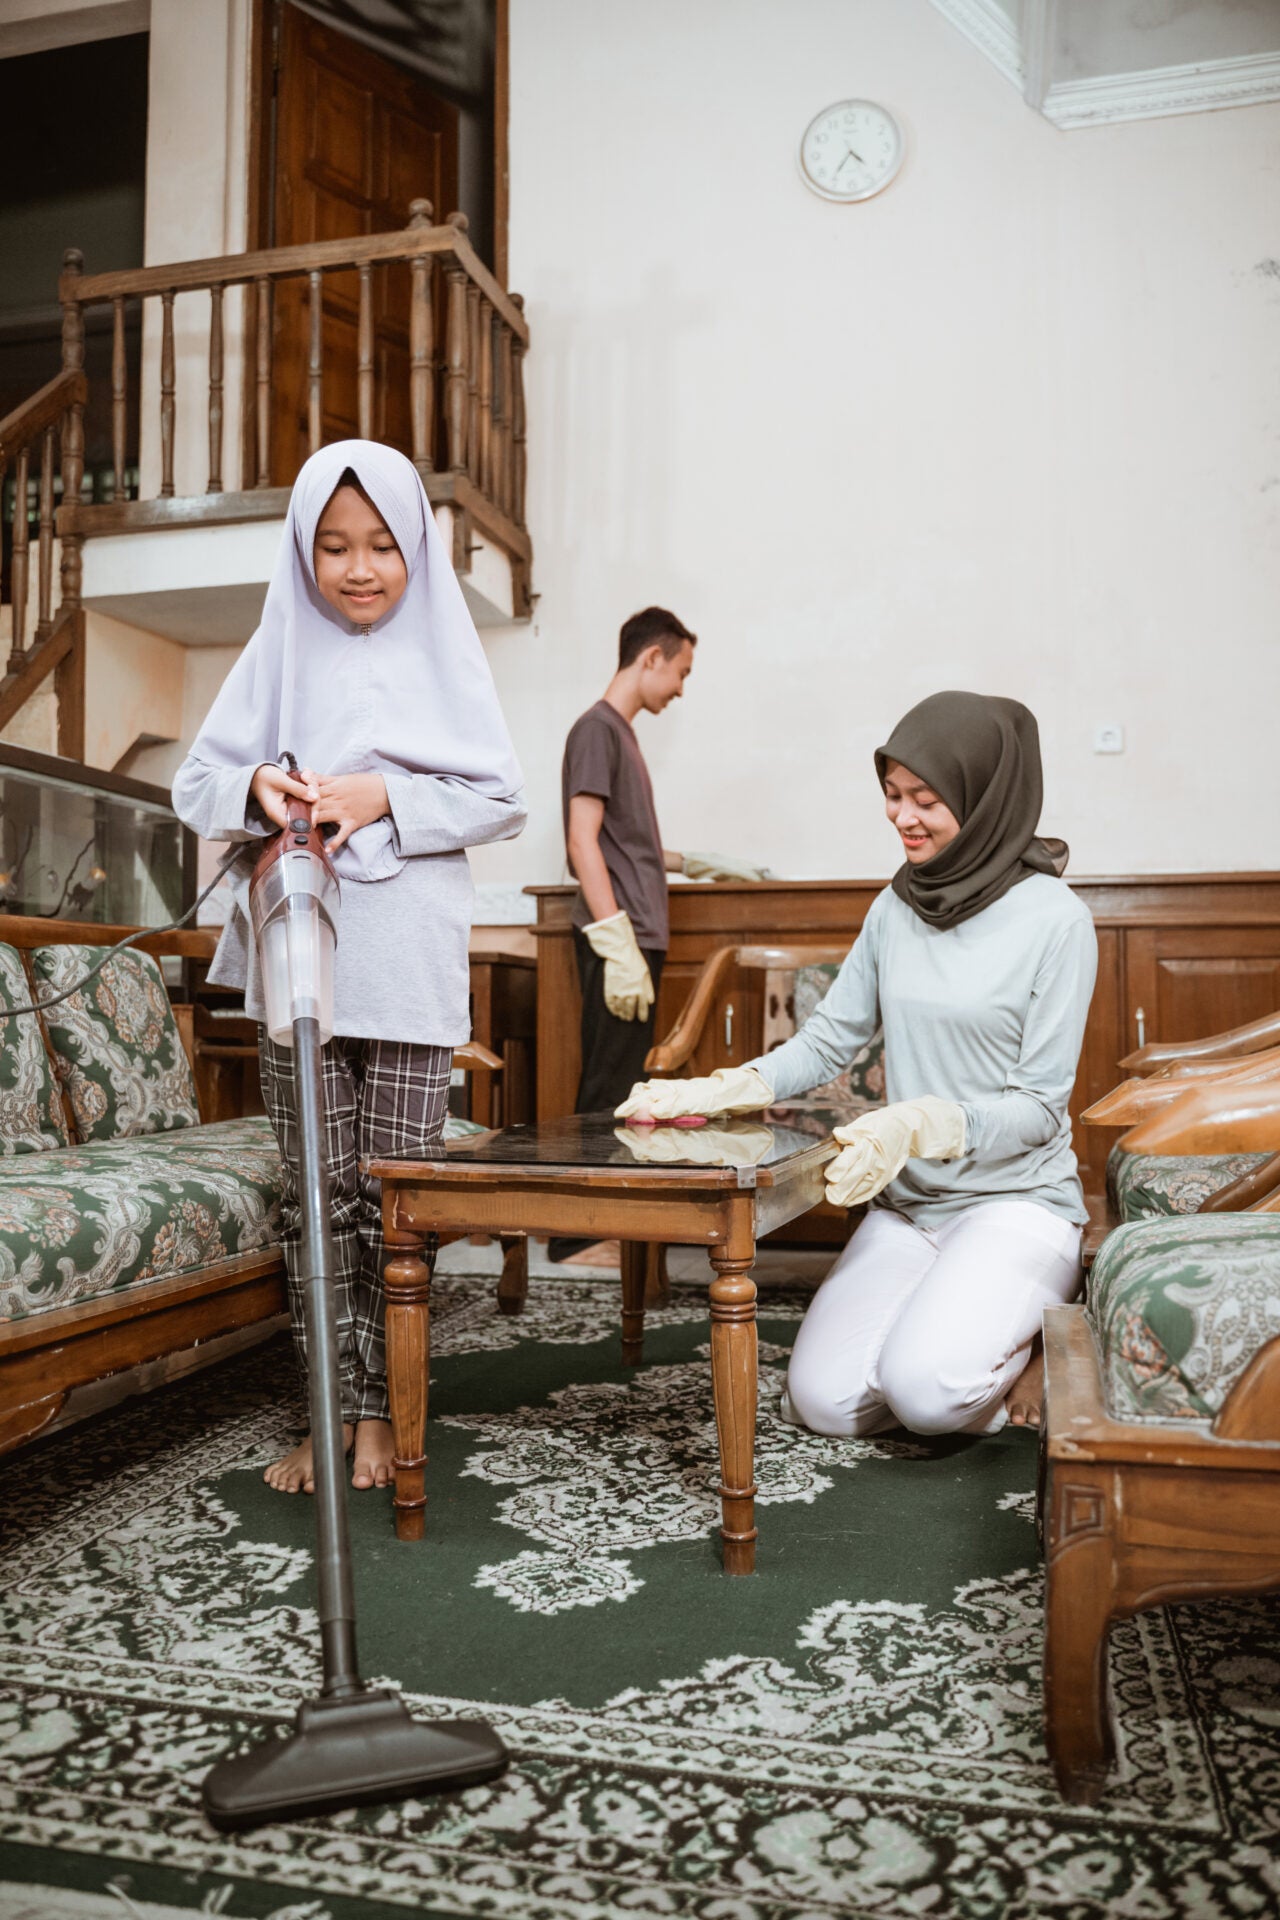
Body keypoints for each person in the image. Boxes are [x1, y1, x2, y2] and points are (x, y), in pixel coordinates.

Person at [173, 440, 526, 1494]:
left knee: (394, 1198)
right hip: (300, 949)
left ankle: (384, 1413)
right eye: (333, 546)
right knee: (315, 1194)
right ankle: (328, 1411)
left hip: (408, 954)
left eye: (381, 545)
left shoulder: (449, 650)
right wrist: (258, 787)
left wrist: (382, 797)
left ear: (415, 544)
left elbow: (502, 799)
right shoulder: (275, 645)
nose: (359, 568)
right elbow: (194, 785)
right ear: (303, 549)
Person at [618, 689, 1096, 1436]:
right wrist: (727, 1087)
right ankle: (961, 1332)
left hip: (1017, 1203)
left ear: (986, 799)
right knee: (824, 1403)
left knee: (927, 1394)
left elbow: (1037, 1110)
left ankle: (1037, 1340)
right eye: (893, 795)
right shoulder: (896, 907)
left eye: (926, 800)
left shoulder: (1057, 921)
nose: (902, 816)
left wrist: (920, 1123)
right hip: (911, 1207)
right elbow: (826, 1041)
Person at [554, 606, 765, 1264]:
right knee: (607, 1086)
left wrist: (694, 863)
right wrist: (614, 938)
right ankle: (578, 1238)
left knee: (625, 1086)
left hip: (635, 937)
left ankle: (607, 1227)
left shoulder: (620, 735)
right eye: (681, 671)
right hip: (617, 940)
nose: (680, 688)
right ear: (651, 658)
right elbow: (582, 842)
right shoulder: (597, 729)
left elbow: (627, 844)